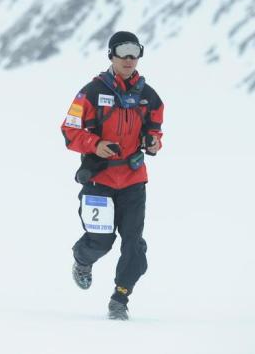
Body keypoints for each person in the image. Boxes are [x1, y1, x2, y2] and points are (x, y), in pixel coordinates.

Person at [60, 30, 164, 320]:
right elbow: (69, 131)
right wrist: (96, 145)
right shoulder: (91, 93)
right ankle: (82, 260)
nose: (130, 58)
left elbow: (155, 129)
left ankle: (120, 298)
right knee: (101, 240)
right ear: (111, 55)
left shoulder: (149, 96)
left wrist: (154, 142)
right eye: (123, 52)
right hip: (99, 180)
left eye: (135, 51)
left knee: (134, 245)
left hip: (133, 181)